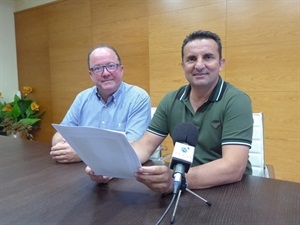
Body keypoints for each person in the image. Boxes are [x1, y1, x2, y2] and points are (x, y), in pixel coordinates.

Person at [86, 30, 253, 193]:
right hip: (181, 188)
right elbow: (145, 146)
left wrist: (176, 179)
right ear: (183, 66)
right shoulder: (171, 100)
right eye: (191, 59)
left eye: (208, 57)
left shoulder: (236, 100)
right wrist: (110, 166)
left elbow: (234, 167)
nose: (199, 65)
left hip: (229, 190)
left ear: (221, 63)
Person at [51, 44, 151, 168]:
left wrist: (83, 153)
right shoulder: (82, 98)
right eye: (97, 68)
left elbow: (132, 147)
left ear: (121, 69)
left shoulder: (138, 98)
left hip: (123, 173)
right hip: (81, 173)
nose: (105, 73)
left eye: (111, 66)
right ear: (91, 75)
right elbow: (58, 137)